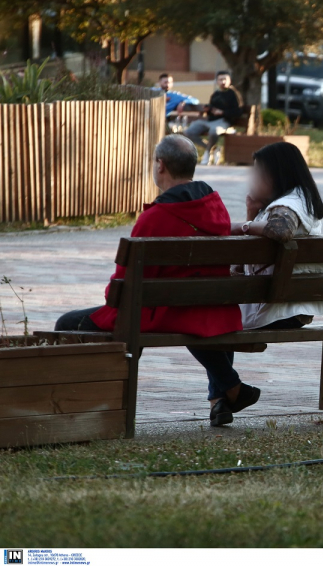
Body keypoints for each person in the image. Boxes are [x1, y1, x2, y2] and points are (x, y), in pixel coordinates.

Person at [54, 135, 258, 427]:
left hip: (166, 311)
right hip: (215, 307)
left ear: (160, 166)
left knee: (66, 323)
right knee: (199, 312)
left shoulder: (155, 217)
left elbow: (121, 288)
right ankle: (225, 394)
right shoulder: (215, 205)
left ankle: (83, 401)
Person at [231, 142, 323, 329]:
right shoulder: (300, 200)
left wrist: (241, 226)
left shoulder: (289, 205)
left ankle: (220, 360)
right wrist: (251, 213)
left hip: (276, 310)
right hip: (292, 306)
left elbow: (281, 230)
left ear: (276, 175)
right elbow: (240, 267)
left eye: (258, 173)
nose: (252, 181)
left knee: (195, 318)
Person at [184, 70, 243, 165]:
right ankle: (213, 149)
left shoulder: (234, 94)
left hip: (224, 121)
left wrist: (223, 112)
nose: (223, 82)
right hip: (210, 121)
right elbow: (211, 110)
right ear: (217, 81)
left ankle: (207, 153)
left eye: (225, 79)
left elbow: (238, 111)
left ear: (230, 81)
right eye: (220, 79)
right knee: (188, 132)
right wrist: (209, 109)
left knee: (213, 131)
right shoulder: (215, 94)